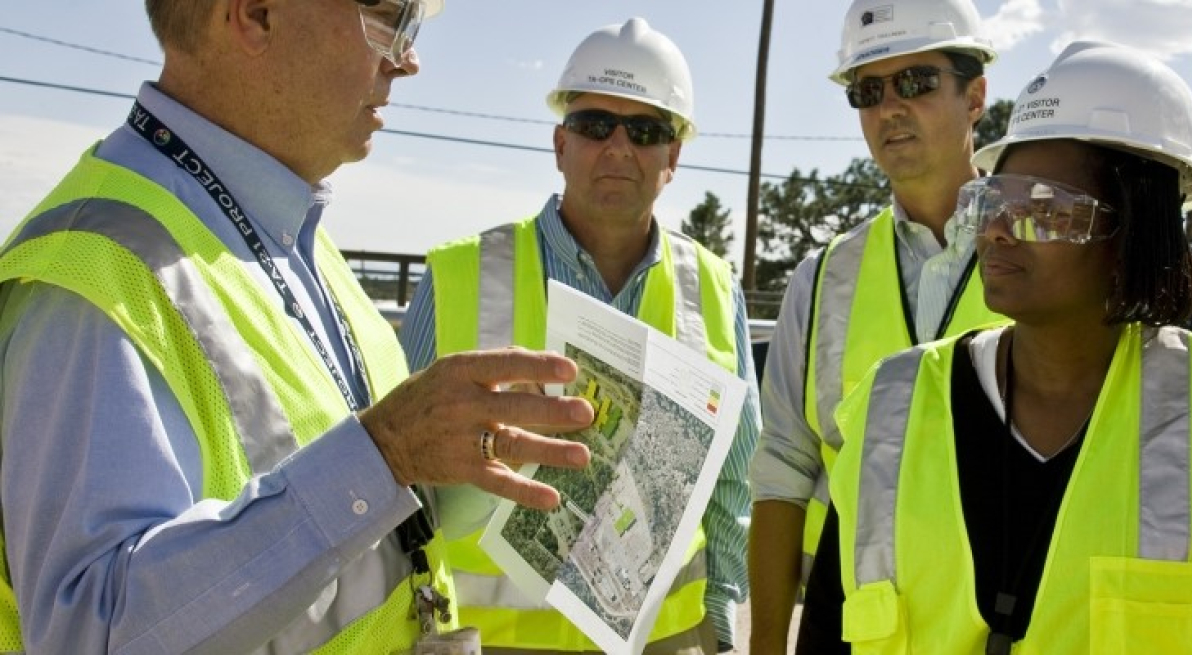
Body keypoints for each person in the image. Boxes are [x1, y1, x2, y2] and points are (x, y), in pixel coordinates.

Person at [0, 1, 600, 652]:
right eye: (385, 16)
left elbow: (345, 505)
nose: (407, 58)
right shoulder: (91, 279)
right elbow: (88, 633)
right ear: (255, 15)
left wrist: (449, 460)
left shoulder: (292, 240)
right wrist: (387, 450)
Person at [824, 41, 1192, 653]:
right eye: (994, 199)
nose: (996, 227)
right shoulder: (893, 404)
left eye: (1041, 207)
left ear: (1136, 225)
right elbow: (828, 630)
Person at [399, 17, 760, 654]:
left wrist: (721, 619)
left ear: (672, 155)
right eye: (596, 125)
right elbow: (395, 475)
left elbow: (734, 477)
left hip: (664, 641)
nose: (618, 147)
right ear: (561, 143)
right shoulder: (457, 274)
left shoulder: (714, 288)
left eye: (646, 130)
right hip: (494, 642)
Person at [746, 0, 1003, 651]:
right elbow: (781, 472)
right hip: (855, 631)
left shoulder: (1042, 247)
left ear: (975, 95)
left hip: (1009, 626)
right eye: (869, 90)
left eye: (915, 82)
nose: (890, 107)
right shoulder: (823, 278)